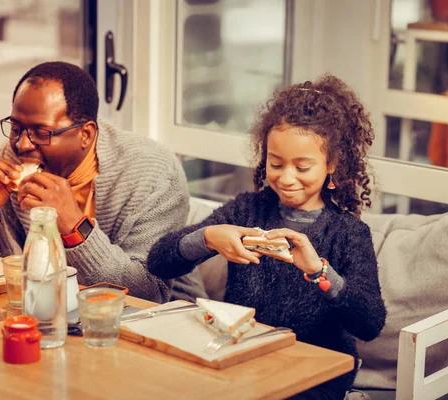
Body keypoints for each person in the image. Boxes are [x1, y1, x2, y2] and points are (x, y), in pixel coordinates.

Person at [147, 74, 387, 398]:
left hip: (316, 372)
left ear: (332, 164)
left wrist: (319, 272)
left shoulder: (348, 233)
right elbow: (159, 262)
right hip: (243, 358)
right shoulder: (247, 212)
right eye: (276, 163)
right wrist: (207, 237)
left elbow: (370, 323)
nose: (286, 178)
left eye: (302, 168)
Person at [0, 61, 189, 303]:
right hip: (51, 314)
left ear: (85, 134)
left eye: (41, 133)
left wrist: (75, 228)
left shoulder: (154, 172)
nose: (22, 144)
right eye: (16, 128)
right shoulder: (13, 156)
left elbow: (149, 293)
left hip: (157, 325)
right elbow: (13, 280)